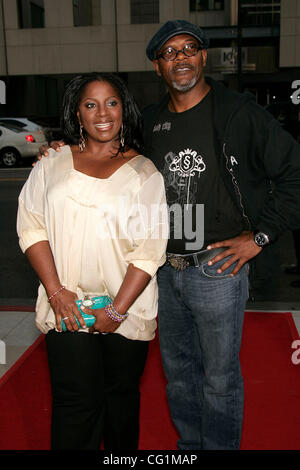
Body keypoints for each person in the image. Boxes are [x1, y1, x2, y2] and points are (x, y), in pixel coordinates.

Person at [38, 20, 300, 450]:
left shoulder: (239, 113)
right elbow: (107, 151)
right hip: (160, 270)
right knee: (178, 377)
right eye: (169, 52)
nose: (180, 57)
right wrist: (57, 153)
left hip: (217, 268)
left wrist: (260, 237)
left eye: (189, 48)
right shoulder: (151, 121)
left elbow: (294, 174)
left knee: (218, 379)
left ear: (203, 57)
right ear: (158, 67)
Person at [17, 72, 168, 450]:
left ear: (123, 110)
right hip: (65, 308)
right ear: (78, 113)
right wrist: (56, 293)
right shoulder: (52, 164)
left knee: (120, 406)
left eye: (111, 103)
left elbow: (149, 251)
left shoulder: (144, 172)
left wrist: (116, 312)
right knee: (74, 406)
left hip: (126, 312)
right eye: (90, 104)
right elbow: (32, 226)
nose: (102, 113)